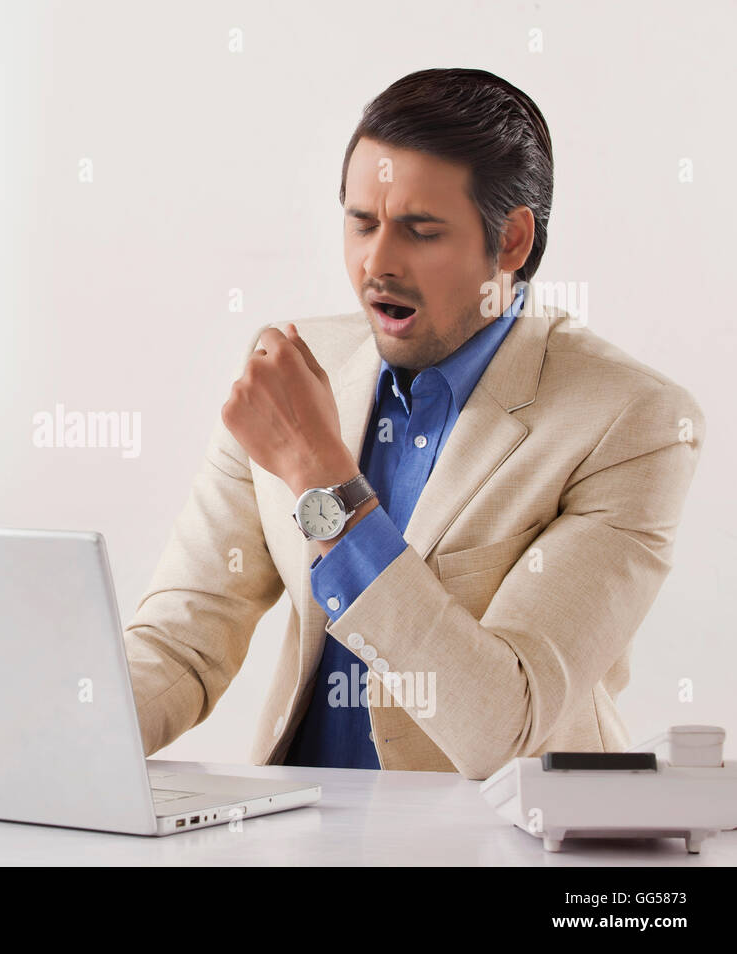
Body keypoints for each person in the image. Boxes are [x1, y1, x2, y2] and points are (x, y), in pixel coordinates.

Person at [123, 68, 705, 779]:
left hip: (508, 843)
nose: (377, 263)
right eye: (361, 222)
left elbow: (504, 723)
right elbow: (183, 643)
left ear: (513, 241)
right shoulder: (292, 368)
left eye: (420, 231)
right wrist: (57, 737)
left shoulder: (633, 421)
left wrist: (323, 482)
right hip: (305, 831)